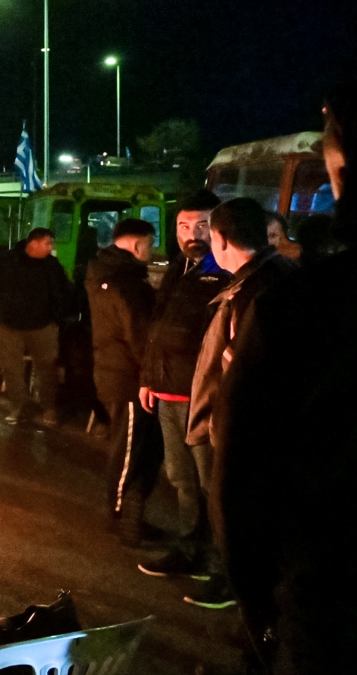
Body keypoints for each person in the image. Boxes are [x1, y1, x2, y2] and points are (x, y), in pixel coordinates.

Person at [213, 83, 357, 670]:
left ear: (340, 167)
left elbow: (242, 472)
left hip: (332, 601)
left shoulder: (303, 305)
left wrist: (261, 608)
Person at [183, 197, 297, 609]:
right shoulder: (274, 275)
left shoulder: (256, 291)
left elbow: (242, 374)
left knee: (239, 518)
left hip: (245, 431)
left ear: (222, 238)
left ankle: (247, 603)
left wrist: (222, 431)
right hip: (259, 429)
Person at [136, 189, 231, 581]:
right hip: (167, 393)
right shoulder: (180, 266)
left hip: (202, 398)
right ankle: (189, 548)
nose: (191, 233)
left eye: (202, 225)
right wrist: (147, 379)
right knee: (181, 479)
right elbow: (157, 326)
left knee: (213, 485)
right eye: (183, 226)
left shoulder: (226, 271)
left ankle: (219, 564)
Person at [85, 218, 159, 545]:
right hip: (126, 377)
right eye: (150, 245)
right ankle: (117, 514)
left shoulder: (104, 273)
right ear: (138, 244)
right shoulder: (125, 282)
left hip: (113, 371)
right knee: (127, 449)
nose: (152, 252)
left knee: (132, 446)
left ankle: (129, 515)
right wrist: (151, 374)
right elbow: (138, 334)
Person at [0, 227, 71, 427]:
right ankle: (19, 406)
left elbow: (63, 291)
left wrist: (56, 317)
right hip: (6, 324)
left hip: (42, 325)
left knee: (47, 368)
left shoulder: (51, 265)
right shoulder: (7, 261)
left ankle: (49, 408)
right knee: (11, 368)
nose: (51, 248)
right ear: (35, 243)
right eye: (48, 243)